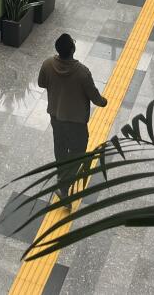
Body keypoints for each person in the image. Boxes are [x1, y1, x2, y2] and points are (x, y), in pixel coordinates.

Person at [38, 34, 107, 203]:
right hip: (76, 122)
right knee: (78, 153)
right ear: (73, 50)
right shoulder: (82, 73)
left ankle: (61, 176)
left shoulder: (47, 64)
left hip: (56, 117)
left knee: (60, 148)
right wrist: (104, 101)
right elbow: (95, 98)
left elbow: (41, 83)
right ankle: (63, 186)